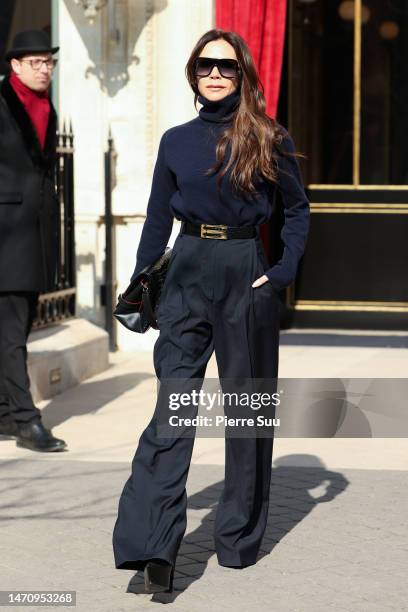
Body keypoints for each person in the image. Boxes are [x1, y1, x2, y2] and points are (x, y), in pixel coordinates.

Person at [112, 28, 310, 592]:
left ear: (243, 74)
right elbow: (156, 219)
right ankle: (152, 546)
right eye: (205, 66)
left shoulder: (268, 137)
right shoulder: (176, 141)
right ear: (193, 74)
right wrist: (140, 284)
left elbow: (297, 212)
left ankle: (238, 540)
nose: (216, 73)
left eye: (226, 66)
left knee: (244, 414)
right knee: (172, 409)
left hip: (247, 268)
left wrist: (282, 270)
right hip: (189, 268)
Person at [0, 30, 67, 452]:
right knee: (12, 335)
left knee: (14, 328)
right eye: (37, 62)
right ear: (16, 66)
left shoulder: (46, 107)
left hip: (33, 235)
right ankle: (26, 421)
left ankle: (5, 415)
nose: (45, 69)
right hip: (6, 236)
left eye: (49, 62)